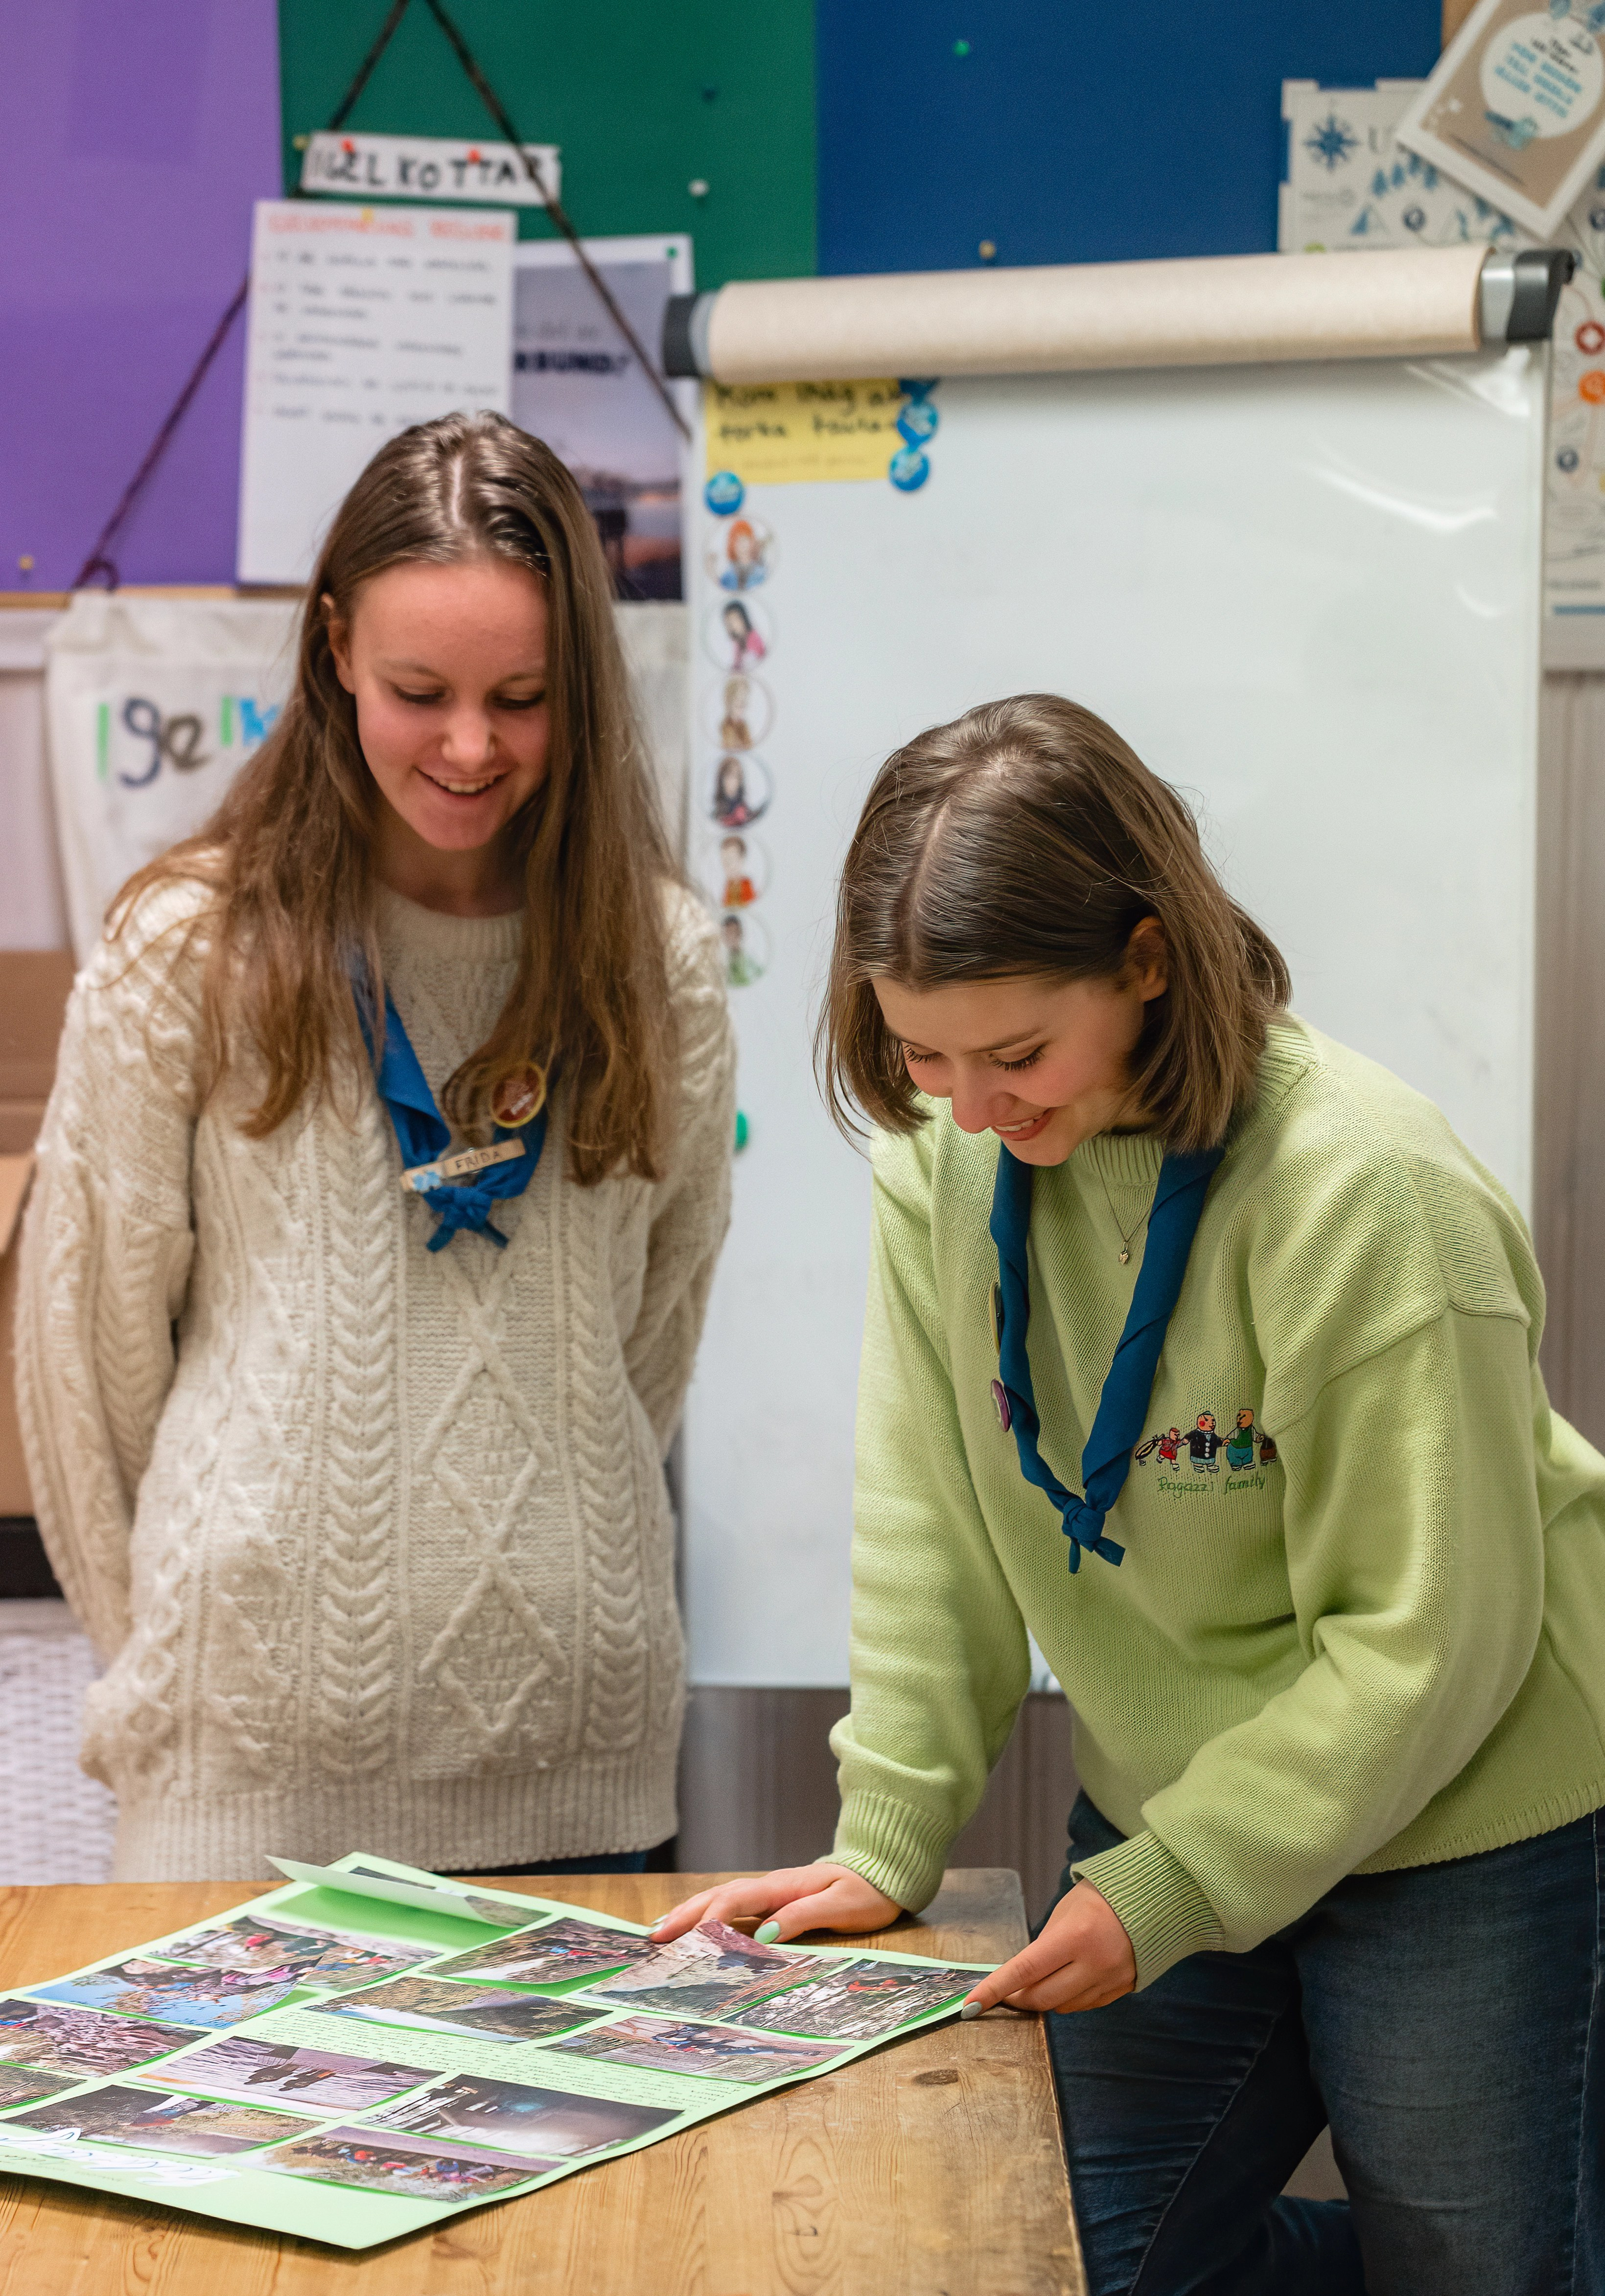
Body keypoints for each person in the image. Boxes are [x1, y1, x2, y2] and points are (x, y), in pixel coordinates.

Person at [652, 694, 1605, 2294]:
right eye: (922, 1051)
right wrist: (888, 1831)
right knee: (1073, 2258)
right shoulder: (948, 1158)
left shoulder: (1373, 1198)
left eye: (1018, 1053)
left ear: (1149, 961)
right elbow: (934, 1513)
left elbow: (1428, 1642)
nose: (971, 1106)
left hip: (1462, 1808)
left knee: (1480, 2270)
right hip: (1181, 1794)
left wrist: (1174, 1885)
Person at [17, 411, 736, 1884]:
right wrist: (189, 1650)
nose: (471, 747)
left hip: (579, 1770)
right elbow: (87, 1367)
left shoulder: (654, 957)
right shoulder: (188, 949)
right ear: (336, 646)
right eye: (421, 692)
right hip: (246, 1776)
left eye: (523, 699)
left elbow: (649, 1335)